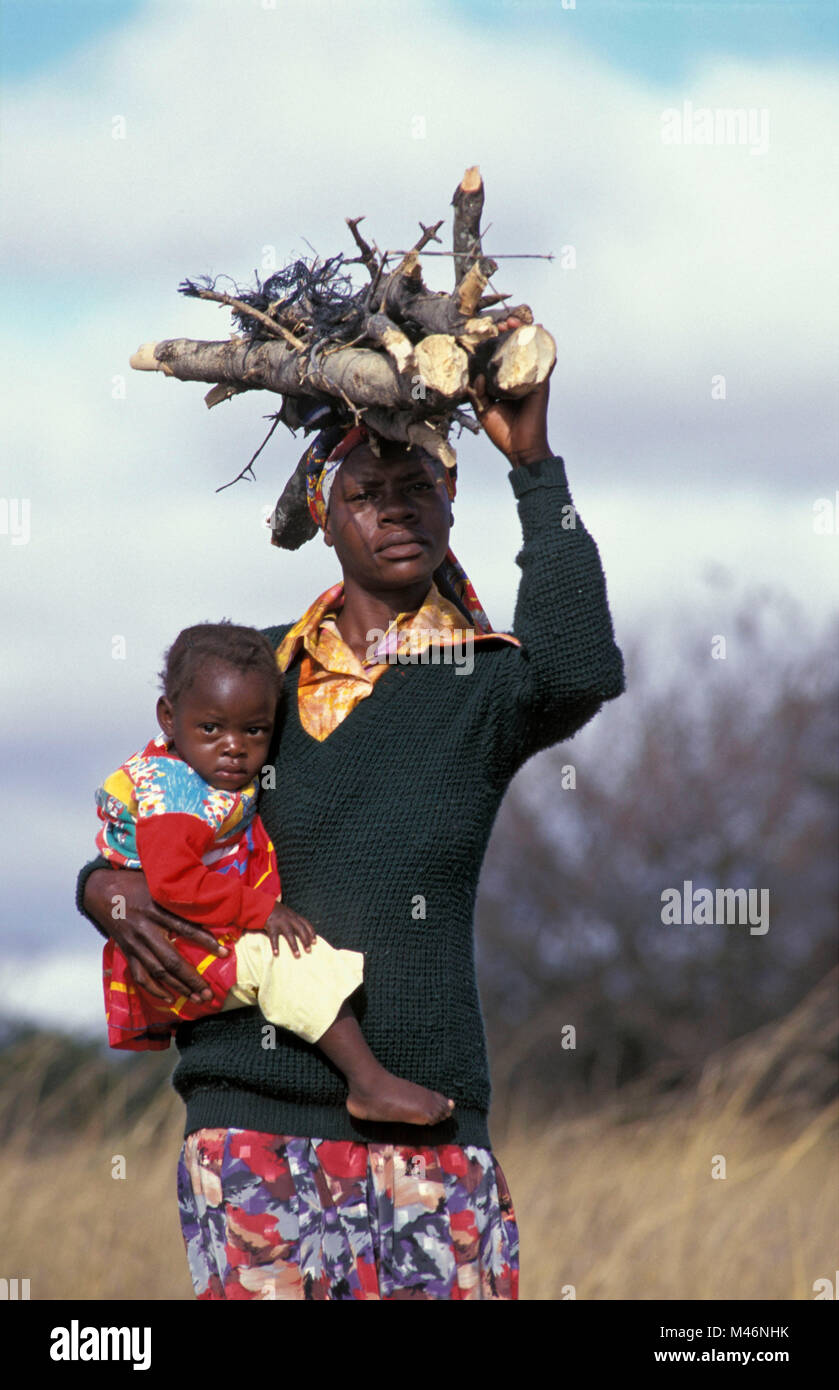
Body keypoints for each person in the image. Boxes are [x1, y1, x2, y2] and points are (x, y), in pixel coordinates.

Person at [76, 351, 625, 1300]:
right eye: (367, 493)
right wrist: (98, 888)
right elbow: (147, 812)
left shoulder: (481, 685)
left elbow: (579, 666)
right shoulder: (254, 685)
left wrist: (533, 465)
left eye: (419, 488)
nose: (396, 509)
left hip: (431, 1133)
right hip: (250, 1119)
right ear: (321, 519)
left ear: (452, 507)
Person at [96, 620, 455, 1126]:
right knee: (286, 958)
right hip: (172, 946)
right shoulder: (172, 793)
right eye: (211, 729)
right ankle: (369, 1084)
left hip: (196, 933)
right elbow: (174, 885)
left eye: (255, 731)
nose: (234, 747)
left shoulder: (205, 773)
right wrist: (264, 910)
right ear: (168, 719)